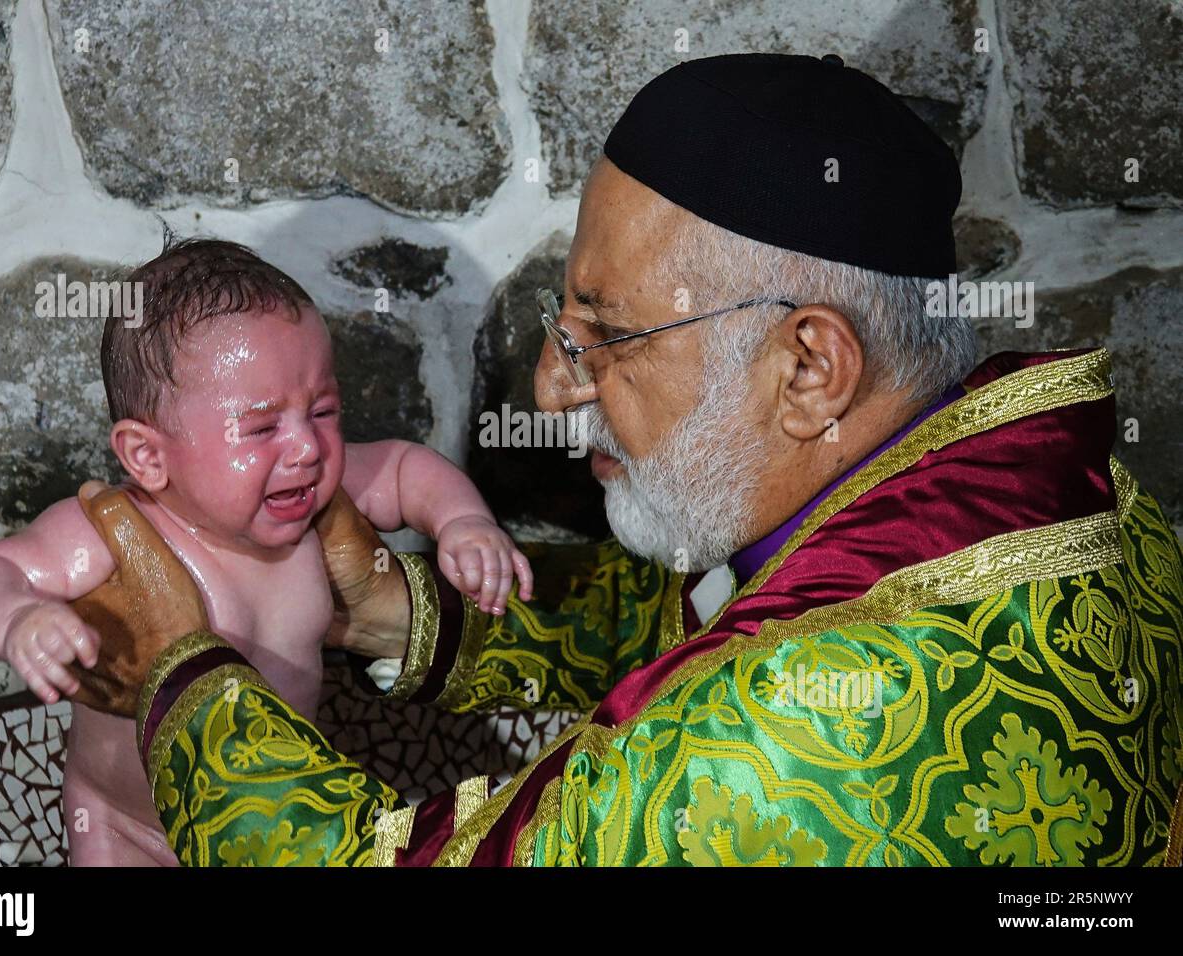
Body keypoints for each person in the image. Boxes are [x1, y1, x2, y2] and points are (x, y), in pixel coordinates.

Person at [65, 53, 1183, 866]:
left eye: (610, 334)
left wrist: (184, 666)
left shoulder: (794, 728)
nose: (555, 386)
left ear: (808, 368)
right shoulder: (1058, 491)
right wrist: (391, 611)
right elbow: (700, 616)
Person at [0, 238, 531, 865]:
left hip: (271, 822)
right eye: (261, 427)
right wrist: (17, 620)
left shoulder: (313, 505)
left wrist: (463, 521)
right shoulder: (116, 534)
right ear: (148, 456)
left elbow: (403, 468)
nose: (306, 447)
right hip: (125, 829)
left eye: (324, 410)